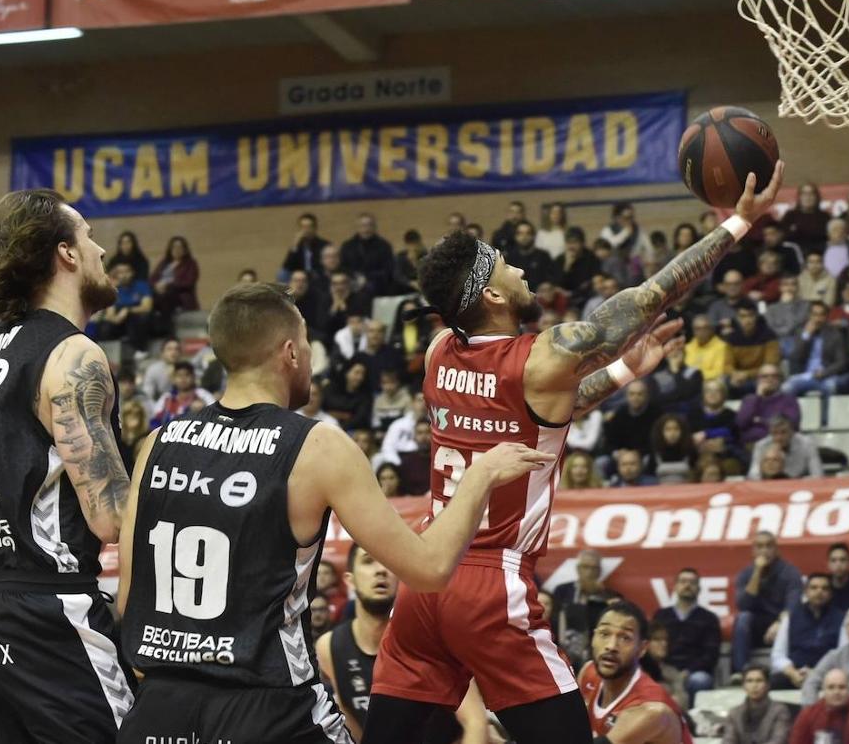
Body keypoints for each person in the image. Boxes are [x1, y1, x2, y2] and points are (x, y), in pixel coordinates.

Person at [364, 165, 784, 744]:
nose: (520, 268)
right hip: (490, 582)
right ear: (492, 294)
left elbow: (540, 415)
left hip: (425, 575)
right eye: (506, 264)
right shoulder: (542, 356)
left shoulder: (440, 351)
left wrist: (621, 372)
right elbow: (648, 297)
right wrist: (738, 222)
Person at [116, 282, 550, 743]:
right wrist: (480, 476)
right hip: (267, 711)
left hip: (158, 710)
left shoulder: (157, 443)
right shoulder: (316, 446)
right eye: (306, 342)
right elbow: (430, 569)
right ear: (290, 352)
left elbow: (127, 602)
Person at [0, 190, 136, 742]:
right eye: (90, 237)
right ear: (66, 253)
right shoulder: (74, 354)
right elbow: (110, 518)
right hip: (48, 610)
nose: (101, 249)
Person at [316, 544, 484, 743]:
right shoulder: (329, 646)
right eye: (368, 561)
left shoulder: (431, 639)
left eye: (389, 563)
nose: (381, 570)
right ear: (349, 580)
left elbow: (475, 724)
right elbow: (355, 724)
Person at [578, 602, 693, 744]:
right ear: (593, 637)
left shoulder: (651, 709)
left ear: (642, 649)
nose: (611, 646)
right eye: (605, 634)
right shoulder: (589, 673)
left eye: (625, 638)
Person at [732, 531, 803, 680]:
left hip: (782, 626)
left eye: (769, 546)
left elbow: (793, 606)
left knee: (792, 621)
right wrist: (757, 572)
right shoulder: (746, 574)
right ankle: (740, 673)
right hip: (757, 627)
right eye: (760, 547)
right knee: (743, 618)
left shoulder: (790, 572)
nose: (764, 551)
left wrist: (780, 623)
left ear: (776, 550)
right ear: (753, 551)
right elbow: (744, 605)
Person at [652, 568, 721, 699]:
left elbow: (711, 654)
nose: (687, 585)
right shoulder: (661, 615)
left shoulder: (709, 618)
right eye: (683, 581)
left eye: (692, 582)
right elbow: (652, 649)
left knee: (700, 681)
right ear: (675, 586)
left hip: (694, 672)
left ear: (699, 589)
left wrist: (688, 671)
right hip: (664, 670)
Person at [771, 573, 843, 690]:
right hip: (796, 674)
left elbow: (844, 655)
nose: (819, 592)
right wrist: (792, 673)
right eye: (814, 588)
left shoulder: (841, 618)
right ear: (806, 592)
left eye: (824, 588)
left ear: (830, 594)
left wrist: (817, 673)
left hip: (828, 675)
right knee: (768, 683)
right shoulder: (791, 617)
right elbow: (778, 655)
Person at [792, 669, 849, 744]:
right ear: (824, 690)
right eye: (831, 687)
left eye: (842, 687)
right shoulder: (808, 715)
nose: (836, 692)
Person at [722, 666, 790, 744]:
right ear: (743, 686)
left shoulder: (780, 711)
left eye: (759, 680)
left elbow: (779, 740)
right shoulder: (734, 713)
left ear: (768, 685)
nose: (754, 685)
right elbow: (728, 740)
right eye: (749, 681)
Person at [747, 416, 822, 480]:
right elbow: (753, 475)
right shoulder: (761, 446)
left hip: (799, 485)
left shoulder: (807, 444)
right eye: (775, 433)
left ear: (792, 432)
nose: (779, 437)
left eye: (783, 432)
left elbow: (818, 475)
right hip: (772, 485)